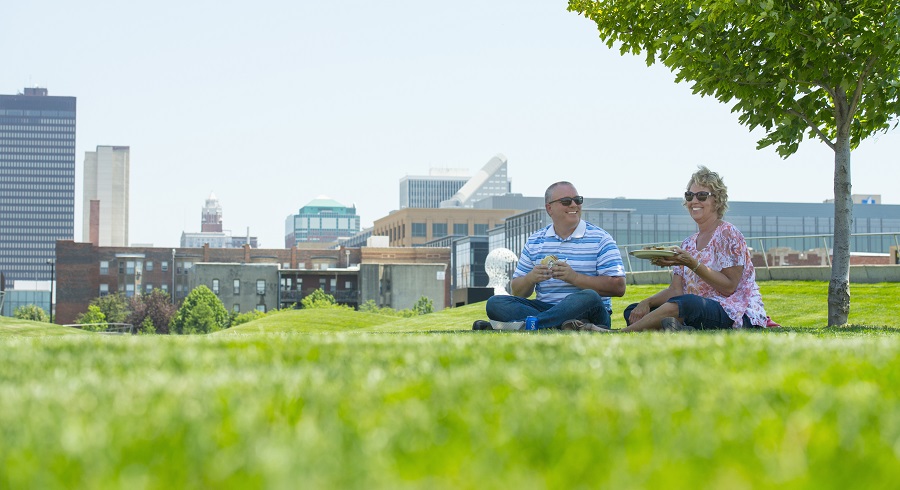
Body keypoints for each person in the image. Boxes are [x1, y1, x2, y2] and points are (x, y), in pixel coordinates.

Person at [621, 166, 768, 332]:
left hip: (734, 311)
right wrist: (646, 302)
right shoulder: (687, 244)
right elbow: (675, 290)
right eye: (690, 195)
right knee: (634, 310)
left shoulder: (727, 234)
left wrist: (692, 263)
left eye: (702, 196)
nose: (694, 201)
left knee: (688, 304)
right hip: (696, 308)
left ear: (717, 200)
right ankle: (682, 328)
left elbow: (729, 287)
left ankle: (621, 333)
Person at [473, 181, 626, 331]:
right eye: (566, 201)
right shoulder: (535, 241)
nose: (574, 205)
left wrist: (574, 277)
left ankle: (524, 325)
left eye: (577, 200)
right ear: (549, 208)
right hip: (546, 307)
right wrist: (531, 278)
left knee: (589, 297)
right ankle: (568, 325)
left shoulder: (601, 239)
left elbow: (619, 287)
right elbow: (517, 292)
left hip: (590, 310)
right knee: (495, 303)